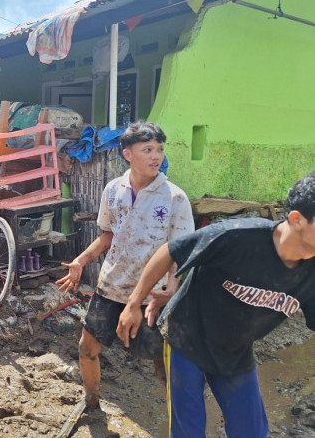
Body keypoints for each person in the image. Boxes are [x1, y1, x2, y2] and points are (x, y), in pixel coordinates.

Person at [117, 172, 315, 438]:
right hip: (187, 337)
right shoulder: (238, 237)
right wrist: (133, 304)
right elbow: (170, 251)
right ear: (297, 220)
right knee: (189, 430)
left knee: (252, 432)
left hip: (235, 349)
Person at [55, 121, 194, 411]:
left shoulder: (175, 198)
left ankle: (179, 419)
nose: (156, 156)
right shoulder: (113, 190)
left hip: (153, 295)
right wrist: (81, 260)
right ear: (127, 154)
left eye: (159, 149)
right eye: (147, 149)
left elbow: (180, 252)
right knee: (86, 348)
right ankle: (91, 402)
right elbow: (108, 235)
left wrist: (172, 288)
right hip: (111, 286)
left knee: (163, 363)